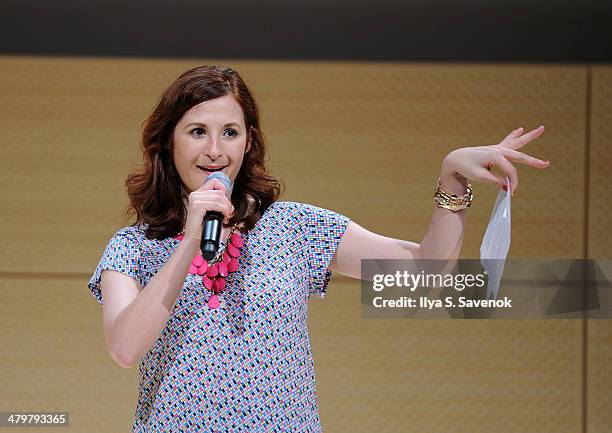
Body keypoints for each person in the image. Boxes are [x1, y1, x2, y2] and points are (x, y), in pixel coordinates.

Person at [87, 65, 549, 432]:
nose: (215, 150)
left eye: (230, 132)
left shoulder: (294, 227)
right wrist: (190, 238)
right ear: (168, 143)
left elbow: (426, 273)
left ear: (249, 142)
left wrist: (453, 175)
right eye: (196, 132)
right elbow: (125, 348)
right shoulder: (132, 247)